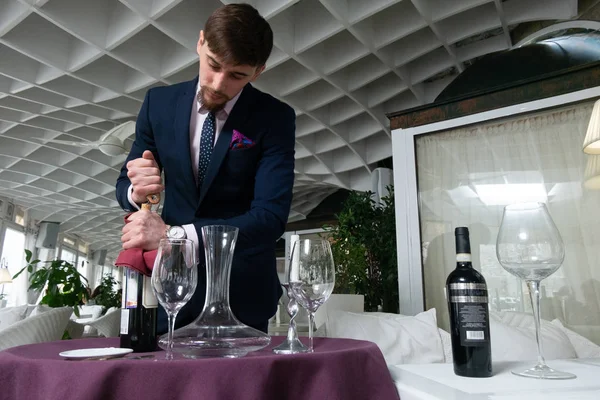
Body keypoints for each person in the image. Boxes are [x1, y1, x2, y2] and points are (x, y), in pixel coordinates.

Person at [115, 3, 295, 335]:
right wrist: (134, 189)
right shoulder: (158, 103)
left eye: (237, 75)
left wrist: (173, 238)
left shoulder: (275, 118)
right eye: (213, 64)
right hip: (170, 291)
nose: (218, 82)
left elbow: (270, 218)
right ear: (200, 43)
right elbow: (124, 185)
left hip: (243, 292)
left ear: (259, 71)